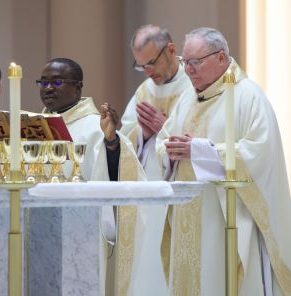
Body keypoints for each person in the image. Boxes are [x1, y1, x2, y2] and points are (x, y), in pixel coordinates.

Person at [156, 27, 291, 295]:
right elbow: (164, 141)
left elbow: (259, 154)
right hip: (187, 213)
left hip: (224, 218)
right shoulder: (187, 98)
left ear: (220, 58)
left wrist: (202, 151)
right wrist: (169, 151)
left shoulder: (248, 96)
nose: (188, 71)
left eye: (196, 62)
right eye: (185, 62)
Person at [37, 57, 146, 295]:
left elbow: (117, 176)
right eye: (43, 83)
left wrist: (111, 143)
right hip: (38, 228)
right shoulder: (34, 128)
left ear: (78, 87)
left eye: (56, 83)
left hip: (79, 234)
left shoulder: (94, 126)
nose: (48, 89)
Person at [117, 25, 192, 295]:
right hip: (150, 193)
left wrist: (166, 128)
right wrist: (143, 135)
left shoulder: (194, 84)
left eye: (151, 63)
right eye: (141, 67)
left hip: (184, 191)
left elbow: (207, 133)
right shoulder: (144, 91)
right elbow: (126, 136)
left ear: (171, 50)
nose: (148, 73)